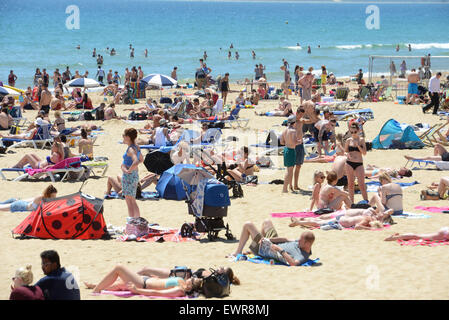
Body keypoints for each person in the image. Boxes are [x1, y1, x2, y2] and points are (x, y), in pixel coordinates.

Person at [226, 219, 315, 266]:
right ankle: (256, 245)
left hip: (266, 250)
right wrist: (268, 240)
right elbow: (286, 239)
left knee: (248, 224)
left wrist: (280, 250)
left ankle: (238, 252)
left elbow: (293, 264)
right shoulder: (300, 243)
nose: (298, 241)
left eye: (301, 240)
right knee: (267, 222)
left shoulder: (302, 255)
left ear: (307, 244)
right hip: (270, 243)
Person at [83, 264, 204, 297]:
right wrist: (154, 278)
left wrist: (137, 290)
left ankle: (96, 290)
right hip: (146, 280)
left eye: (192, 280)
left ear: (190, 287)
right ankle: (96, 285)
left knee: (119, 268)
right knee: (119, 284)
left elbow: (156, 293)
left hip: (142, 285)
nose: (190, 278)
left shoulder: (179, 290)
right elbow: (164, 283)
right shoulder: (182, 283)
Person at [289, 208, 392, 230]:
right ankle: (299, 222)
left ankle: (300, 221)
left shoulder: (369, 218)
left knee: (319, 221)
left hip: (343, 218)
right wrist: (370, 229)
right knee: (319, 222)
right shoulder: (369, 219)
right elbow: (357, 227)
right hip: (342, 219)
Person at [122, 128, 144, 218]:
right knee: (132, 200)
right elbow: (141, 159)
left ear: (128, 137)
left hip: (129, 176)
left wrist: (128, 170)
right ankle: (136, 220)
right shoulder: (136, 147)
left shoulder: (130, 149)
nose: (123, 137)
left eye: (124, 135)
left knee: (129, 201)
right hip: (134, 175)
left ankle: (132, 221)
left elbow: (136, 161)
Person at [345, 123, 368, 203]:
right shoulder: (348, 140)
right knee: (350, 184)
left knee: (361, 184)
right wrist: (348, 155)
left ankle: (366, 201)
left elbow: (364, 153)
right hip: (349, 163)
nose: (353, 134)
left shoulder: (361, 140)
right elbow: (346, 151)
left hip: (358, 163)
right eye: (351, 132)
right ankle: (351, 203)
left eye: (355, 132)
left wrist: (358, 146)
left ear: (358, 131)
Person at [280, 115, 297, 193]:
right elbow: (294, 142)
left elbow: (281, 142)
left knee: (290, 169)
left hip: (286, 149)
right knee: (289, 170)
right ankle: (284, 188)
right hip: (291, 150)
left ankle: (290, 185)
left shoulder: (285, 130)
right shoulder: (293, 131)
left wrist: (288, 142)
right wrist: (299, 141)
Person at [385, 227, 449, 242]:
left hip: (445, 231)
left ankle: (397, 237)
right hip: (444, 233)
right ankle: (394, 237)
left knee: (416, 236)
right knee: (416, 236)